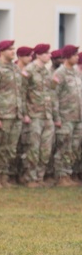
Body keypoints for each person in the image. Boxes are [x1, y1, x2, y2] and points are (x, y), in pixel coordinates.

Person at [0, 40, 24, 188]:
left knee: (10, 149)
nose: (13, 52)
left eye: (13, 49)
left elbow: (20, 92)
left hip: (16, 114)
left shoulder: (15, 68)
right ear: (1, 52)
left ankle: (4, 177)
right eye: (9, 49)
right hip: (3, 114)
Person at [20, 44, 55, 188]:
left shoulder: (46, 72)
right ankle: (30, 178)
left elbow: (50, 93)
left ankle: (40, 177)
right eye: (46, 53)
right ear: (39, 55)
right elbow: (22, 93)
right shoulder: (29, 71)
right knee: (33, 148)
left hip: (47, 115)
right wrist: (25, 113)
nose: (50, 55)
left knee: (46, 148)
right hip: (34, 115)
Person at [51, 45, 81, 187]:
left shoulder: (76, 73)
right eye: (74, 55)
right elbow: (54, 96)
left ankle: (68, 174)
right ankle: (61, 176)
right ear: (68, 56)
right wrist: (56, 117)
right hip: (65, 116)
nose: (77, 57)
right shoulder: (59, 74)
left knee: (74, 147)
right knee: (64, 147)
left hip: (77, 117)